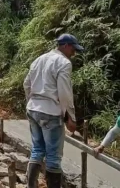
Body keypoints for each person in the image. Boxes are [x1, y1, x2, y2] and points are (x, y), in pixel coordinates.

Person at [23, 33, 82, 188]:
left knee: (37, 149)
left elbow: (26, 84)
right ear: (66, 46)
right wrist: (71, 117)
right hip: (51, 112)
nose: (73, 53)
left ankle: (31, 185)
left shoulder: (39, 59)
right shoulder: (64, 62)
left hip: (33, 108)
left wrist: (31, 103)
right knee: (54, 157)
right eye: (73, 49)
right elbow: (64, 93)